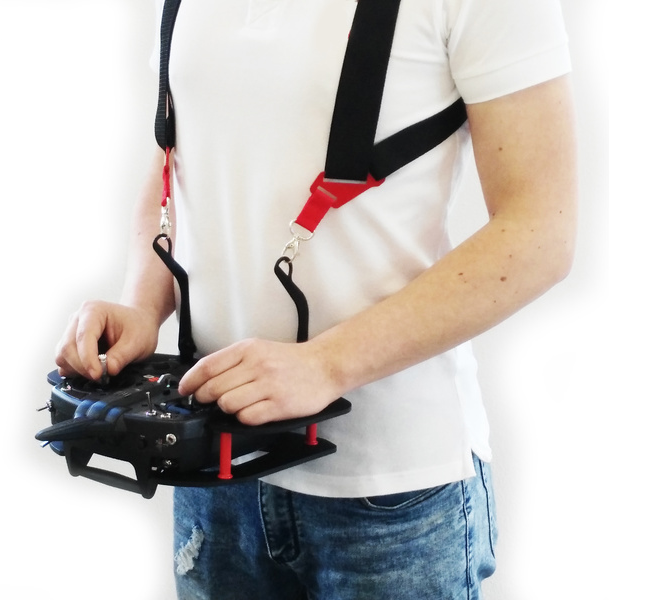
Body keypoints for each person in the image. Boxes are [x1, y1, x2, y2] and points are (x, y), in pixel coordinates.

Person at [55, 0, 577, 597]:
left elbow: (541, 233)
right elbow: (178, 155)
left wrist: (328, 364)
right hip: (214, 467)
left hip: (390, 496)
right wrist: (143, 306)